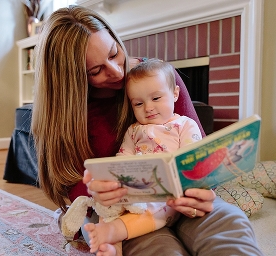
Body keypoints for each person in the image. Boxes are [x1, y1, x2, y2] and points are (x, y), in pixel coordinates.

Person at [31, 5, 262, 255]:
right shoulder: (68, 115)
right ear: (73, 79)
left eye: (114, 53)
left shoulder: (158, 77)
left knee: (228, 222)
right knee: (159, 248)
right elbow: (71, 181)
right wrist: (101, 192)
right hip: (125, 208)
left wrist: (201, 194)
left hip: (179, 200)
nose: (117, 71)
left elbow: (199, 153)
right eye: (96, 70)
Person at [82, 59, 203, 256]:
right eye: (138, 103)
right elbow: (123, 158)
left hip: (166, 194)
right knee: (109, 204)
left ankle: (113, 232)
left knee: (154, 209)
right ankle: (113, 248)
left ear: (175, 94)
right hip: (135, 187)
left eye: (156, 98)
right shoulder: (133, 130)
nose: (148, 108)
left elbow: (190, 161)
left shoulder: (184, 125)